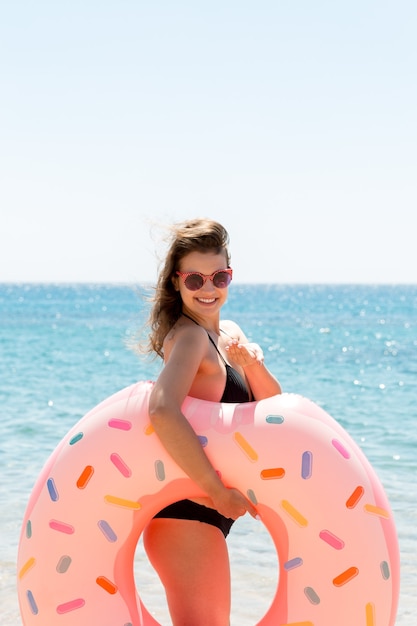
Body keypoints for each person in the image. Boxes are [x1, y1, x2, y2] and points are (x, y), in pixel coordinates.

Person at [142, 218, 281, 626]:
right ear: (176, 282)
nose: (208, 289)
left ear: (230, 277)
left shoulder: (229, 333)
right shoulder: (188, 338)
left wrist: (253, 366)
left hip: (205, 516)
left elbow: (275, 413)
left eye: (219, 277)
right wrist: (217, 492)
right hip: (186, 514)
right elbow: (161, 409)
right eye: (195, 279)